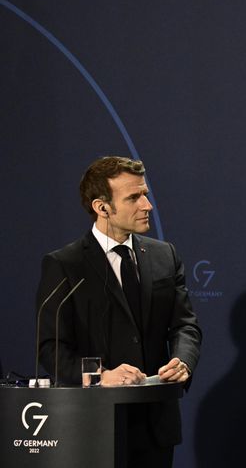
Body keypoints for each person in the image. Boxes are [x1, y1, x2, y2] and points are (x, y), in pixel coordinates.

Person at [36, 156, 202, 468]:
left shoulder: (164, 255)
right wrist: (100, 378)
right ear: (102, 208)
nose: (147, 205)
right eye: (134, 197)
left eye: (146, 194)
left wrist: (183, 361)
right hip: (92, 426)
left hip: (155, 426)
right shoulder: (65, 264)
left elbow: (185, 326)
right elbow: (51, 348)